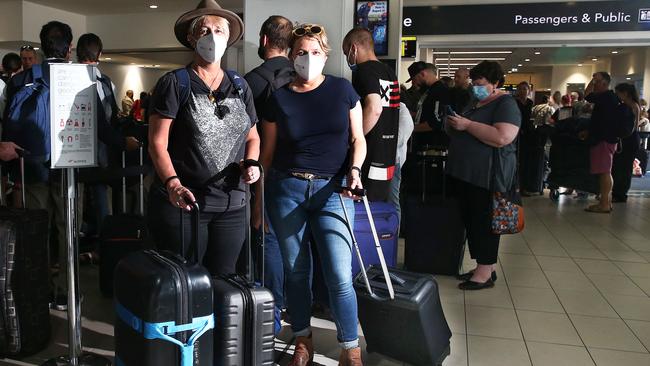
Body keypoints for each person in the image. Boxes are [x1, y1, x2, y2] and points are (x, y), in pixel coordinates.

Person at [260, 23, 366, 365]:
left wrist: (354, 171)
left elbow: (358, 138)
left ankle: (350, 346)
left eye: (315, 52)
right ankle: (302, 336)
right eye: (301, 52)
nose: (308, 58)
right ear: (291, 56)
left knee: (338, 272)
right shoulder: (279, 98)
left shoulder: (342, 90)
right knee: (295, 272)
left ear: (326, 55)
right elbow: (267, 152)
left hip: (333, 190)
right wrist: (257, 201)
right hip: (286, 189)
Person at [147, 0, 260, 277]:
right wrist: (173, 184)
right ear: (191, 37)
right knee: (187, 282)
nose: (212, 37)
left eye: (219, 30)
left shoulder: (238, 85)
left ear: (228, 39)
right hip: (186, 206)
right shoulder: (175, 83)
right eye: (204, 30)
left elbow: (253, 137)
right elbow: (157, 143)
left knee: (225, 280)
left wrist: (252, 163)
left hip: (232, 206)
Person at [3, 21, 76, 311]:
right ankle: (65, 292)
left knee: (38, 230)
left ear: (42, 46)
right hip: (69, 166)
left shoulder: (20, 81)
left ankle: (40, 288)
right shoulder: (78, 77)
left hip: (30, 165)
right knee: (67, 229)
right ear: (69, 48)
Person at [445, 61, 521, 290]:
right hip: (468, 174)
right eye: (474, 83)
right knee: (473, 220)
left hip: (487, 176)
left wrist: (467, 125)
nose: (475, 88)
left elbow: (502, 137)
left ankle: (485, 272)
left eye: (480, 84)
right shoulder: (476, 102)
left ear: (496, 83)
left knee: (484, 223)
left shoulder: (505, 105)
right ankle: (484, 267)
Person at [244, 14, 294, 335]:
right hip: (303, 173)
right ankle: (298, 305)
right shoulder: (305, 78)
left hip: (266, 170)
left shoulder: (251, 81)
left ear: (264, 40)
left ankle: (273, 307)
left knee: (267, 239)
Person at [76, 33, 140, 238]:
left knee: (72, 203)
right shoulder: (104, 82)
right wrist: (121, 141)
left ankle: (75, 243)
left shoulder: (65, 80)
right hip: (102, 152)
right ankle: (104, 245)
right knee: (101, 197)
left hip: (72, 152)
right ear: (100, 54)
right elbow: (108, 121)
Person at [343, 27, 399, 202]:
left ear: (353, 48)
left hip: (369, 152)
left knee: (361, 208)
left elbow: (375, 108)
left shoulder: (365, 71)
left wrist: (355, 137)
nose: (347, 58)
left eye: (346, 53)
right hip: (387, 152)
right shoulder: (389, 72)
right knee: (378, 207)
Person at [581, 72, 619, 213]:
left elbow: (586, 94)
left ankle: (604, 204)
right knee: (606, 171)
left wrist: (592, 79)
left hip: (603, 140)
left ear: (604, 83)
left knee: (604, 172)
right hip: (606, 138)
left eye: (597, 82)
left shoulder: (606, 97)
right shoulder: (609, 98)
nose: (594, 85)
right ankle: (606, 201)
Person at [611, 83, 641, 203]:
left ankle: (620, 193)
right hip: (629, 139)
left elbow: (632, 127)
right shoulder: (631, 105)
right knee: (620, 167)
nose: (617, 95)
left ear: (625, 93)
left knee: (623, 168)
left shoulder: (631, 107)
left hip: (628, 140)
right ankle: (618, 192)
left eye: (618, 92)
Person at [409, 62, 450, 148]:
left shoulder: (439, 91)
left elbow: (435, 123)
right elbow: (429, 113)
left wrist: (409, 128)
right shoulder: (429, 91)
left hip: (433, 145)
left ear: (423, 74)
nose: (415, 82)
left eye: (415, 78)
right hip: (423, 142)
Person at [515, 82, 539, 196]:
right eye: (520, 89)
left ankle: (524, 186)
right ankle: (516, 186)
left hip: (528, 133)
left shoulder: (530, 103)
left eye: (525, 89)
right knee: (517, 160)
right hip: (516, 132)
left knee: (525, 161)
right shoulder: (514, 102)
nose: (523, 91)